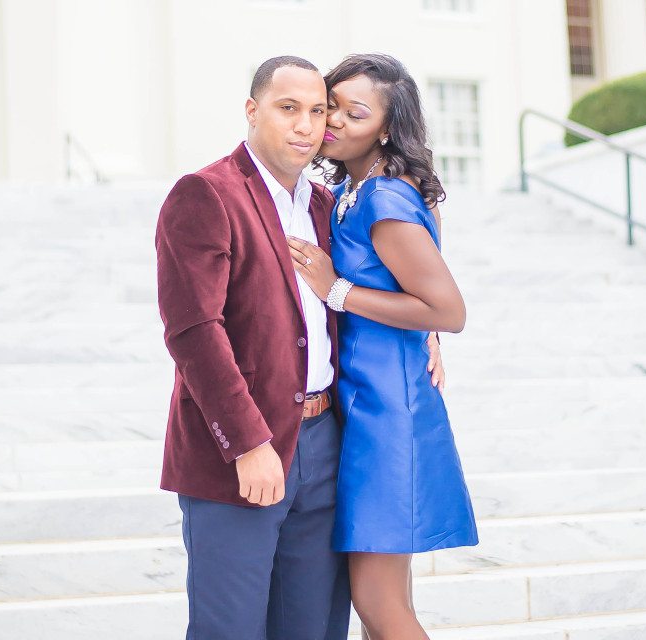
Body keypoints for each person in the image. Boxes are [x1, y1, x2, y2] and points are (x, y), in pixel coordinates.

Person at [155, 54, 445, 640]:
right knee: (230, 631)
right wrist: (248, 443)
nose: (307, 126)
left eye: (318, 111)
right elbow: (194, 331)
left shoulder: (324, 204)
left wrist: (429, 329)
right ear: (252, 109)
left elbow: (385, 279)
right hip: (243, 448)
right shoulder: (206, 194)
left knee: (315, 629)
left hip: (325, 444)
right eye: (288, 108)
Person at [287, 53, 479, 640]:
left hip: (389, 416)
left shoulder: (384, 198)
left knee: (377, 602)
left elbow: (449, 309)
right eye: (331, 106)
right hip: (365, 405)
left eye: (355, 113)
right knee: (386, 604)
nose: (334, 121)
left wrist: (337, 290)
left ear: (388, 129)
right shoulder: (353, 189)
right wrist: (422, 331)